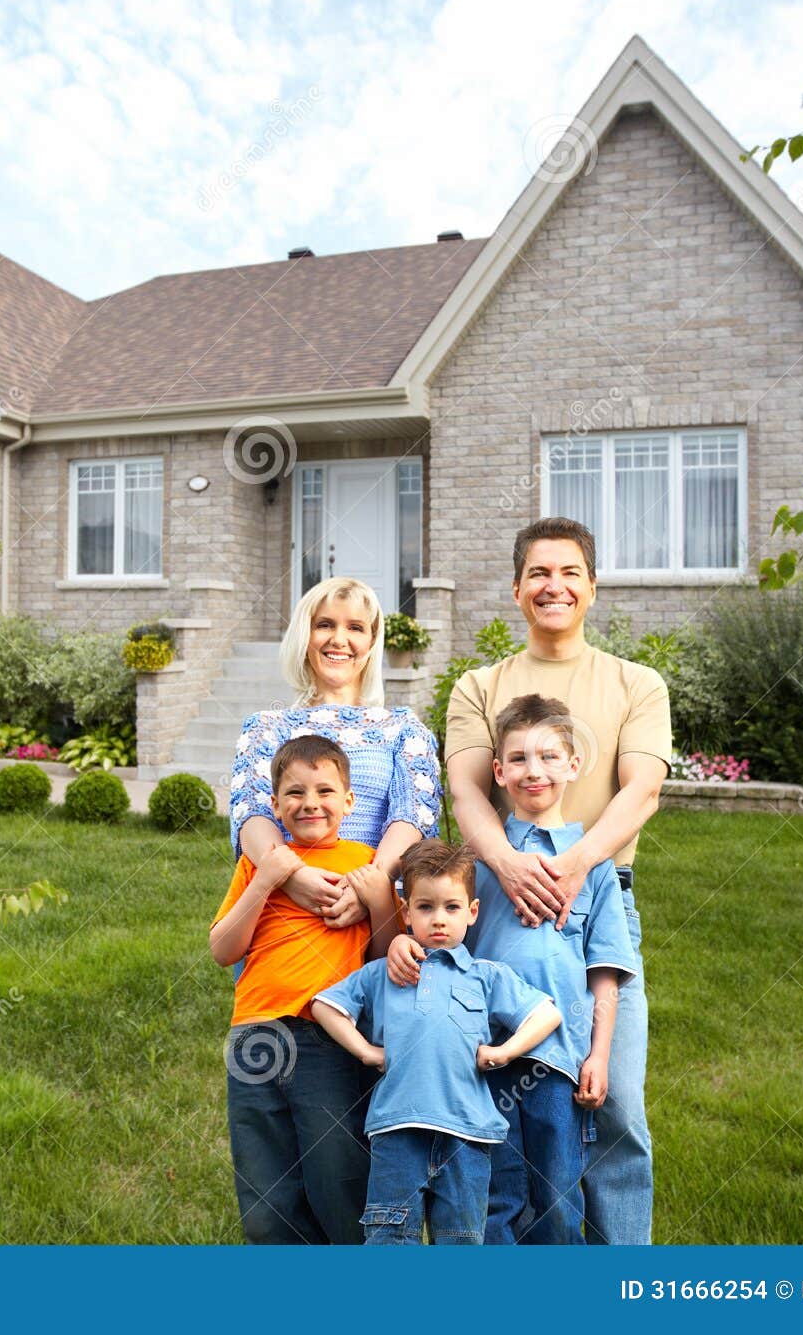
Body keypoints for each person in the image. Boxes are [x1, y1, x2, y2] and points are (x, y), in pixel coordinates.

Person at [415, 517, 671, 1244]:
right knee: (497, 1102)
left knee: (613, 1101)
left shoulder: (635, 683)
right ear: (517, 588)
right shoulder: (479, 684)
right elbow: (465, 791)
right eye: (538, 573)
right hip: (499, 907)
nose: (553, 585)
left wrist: (576, 862)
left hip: (594, 902)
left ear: (591, 586)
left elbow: (641, 789)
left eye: (569, 572)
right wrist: (506, 863)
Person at [394, 693, 637, 1243]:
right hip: (483, 1060)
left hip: (559, 1062)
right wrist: (396, 945)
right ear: (498, 771)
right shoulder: (475, 866)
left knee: (556, 1195)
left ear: (574, 765)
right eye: (520, 759)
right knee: (495, 1196)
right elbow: (430, 929)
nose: (535, 771)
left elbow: (604, 970)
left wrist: (598, 1055)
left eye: (550, 757)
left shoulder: (591, 865)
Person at [311, 839, 559, 1245]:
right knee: (389, 1240)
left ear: (472, 912)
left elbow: (546, 1014)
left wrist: (503, 1052)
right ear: (406, 912)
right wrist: (366, 1051)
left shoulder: (485, 976)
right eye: (425, 907)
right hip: (397, 1130)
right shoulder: (385, 973)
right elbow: (325, 1006)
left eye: (452, 907)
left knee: (460, 1241)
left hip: (466, 1136)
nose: (439, 919)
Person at [210, 734, 400, 1243]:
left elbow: (388, 963)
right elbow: (223, 949)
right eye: (294, 793)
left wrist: (380, 902)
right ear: (274, 805)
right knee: (266, 1185)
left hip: (328, 1038)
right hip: (255, 1033)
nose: (310, 803)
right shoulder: (262, 865)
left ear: (349, 801)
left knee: (337, 1175)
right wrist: (265, 881)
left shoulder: (364, 862)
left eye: (324, 791)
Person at [230, 576, 440, 952]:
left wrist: (367, 889)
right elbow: (253, 814)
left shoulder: (403, 730)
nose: (338, 639)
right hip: (285, 919)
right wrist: (294, 877)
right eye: (324, 624)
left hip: (376, 923)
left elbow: (411, 818)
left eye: (355, 627)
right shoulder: (266, 729)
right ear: (304, 635)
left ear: (372, 642)